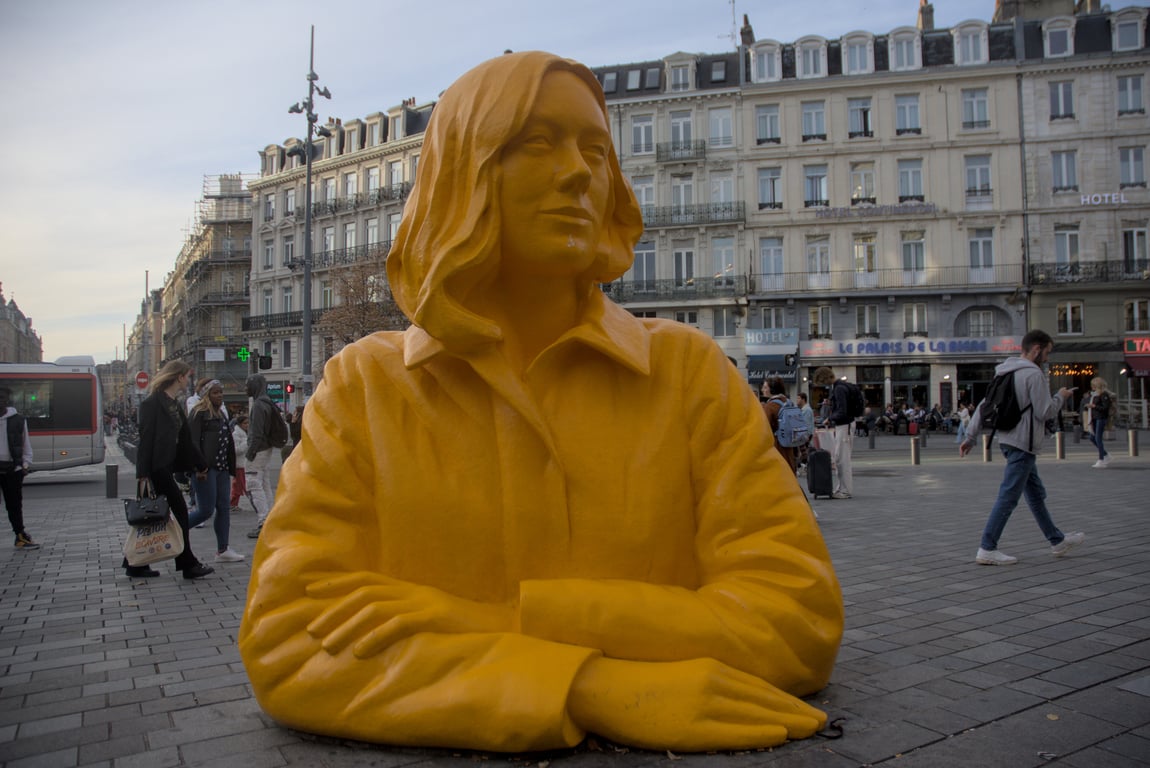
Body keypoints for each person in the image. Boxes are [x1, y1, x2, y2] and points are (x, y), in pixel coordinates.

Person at [239, 51, 842, 754]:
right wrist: (587, 686)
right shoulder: (365, 389)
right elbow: (287, 639)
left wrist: (492, 618)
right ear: (462, 169)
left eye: (594, 148)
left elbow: (797, 618)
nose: (581, 171)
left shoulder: (687, 374)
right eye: (536, 143)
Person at [960, 329, 1086, 566]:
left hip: (1007, 441)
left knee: (1035, 494)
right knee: (1008, 496)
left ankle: (1057, 540)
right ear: (1036, 349)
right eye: (1047, 353)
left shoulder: (1004, 371)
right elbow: (1045, 412)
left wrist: (971, 436)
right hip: (1023, 444)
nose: (1047, 359)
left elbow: (984, 406)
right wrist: (1061, 396)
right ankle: (987, 547)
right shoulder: (1033, 375)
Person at [129, 360, 214, 580]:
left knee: (154, 516)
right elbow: (146, 440)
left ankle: (134, 564)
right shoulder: (152, 404)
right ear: (178, 377)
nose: (187, 381)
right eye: (186, 377)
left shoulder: (174, 404)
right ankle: (187, 564)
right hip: (156, 468)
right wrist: (143, 474)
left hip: (166, 466)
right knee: (178, 513)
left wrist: (200, 463)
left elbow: (185, 440)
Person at [188, 381, 244, 563]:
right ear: (206, 395)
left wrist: (230, 467)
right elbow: (193, 443)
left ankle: (223, 549)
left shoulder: (221, 414)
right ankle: (178, 529)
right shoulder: (199, 414)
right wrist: (199, 467)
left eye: (221, 392)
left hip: (221, 468)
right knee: (206, 510)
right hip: (206, 468)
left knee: (223, 508)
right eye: (215, 393)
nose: (219, 395)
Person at [0, 386, 38, 550]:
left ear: (7, 400)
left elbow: (26, 446)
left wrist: (24, 465)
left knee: (14, 505)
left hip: (12, 469)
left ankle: (20, 535)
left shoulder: (17, 420)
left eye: (2, 398)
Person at [244, 374, 279, 539]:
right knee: (264, 484)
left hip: (258, 451)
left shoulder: (258, 405)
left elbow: (256, 432)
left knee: (254, 484)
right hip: (266, 449)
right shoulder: (267, 402)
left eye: (248, 385)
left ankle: (263, 521)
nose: (245, 389)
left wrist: (250, 452)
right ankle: (270, 518)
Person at [812, 367, 854, 500]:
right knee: (839, 457)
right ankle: (842, 487)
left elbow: (842, 411)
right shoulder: (840, 387)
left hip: (844, 425)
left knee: (842, 459)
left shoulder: (839, 389)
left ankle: (845, 490)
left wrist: (829, 418)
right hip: (844, 425)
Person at [760, 377, 797, 474]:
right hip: (790, 444)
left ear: (772, 389)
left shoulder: (770, 406)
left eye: (765, 387)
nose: (762, 390)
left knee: (779, 473)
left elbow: (764, 427)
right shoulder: (788, 402)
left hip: (777, 445)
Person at [1084, 376, 1113, 468]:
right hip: (1095, 418)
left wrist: (1094, 406)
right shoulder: (1095, 395)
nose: (1092, 387)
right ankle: (1105, 455)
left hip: (1101, 418)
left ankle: (1101, 459)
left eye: (1094, 385)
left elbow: (1105, 408)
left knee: (1098, 438)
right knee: (1092, 438)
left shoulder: (1104, 395)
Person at [230, 413, 251, 512]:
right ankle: (233, 503)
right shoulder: (236, 434)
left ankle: (233, 503)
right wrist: (246, 443)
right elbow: (236, 450)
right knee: (241, 485)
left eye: (248, 423)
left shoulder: (243, 434)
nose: (247, 425)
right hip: (239, 464)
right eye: (245, 423)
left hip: (242, 463)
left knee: (239, 485)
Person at [796, 391, 814, 471]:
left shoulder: (806, 410)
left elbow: (806, 424)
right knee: (803, 452)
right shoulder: (804, 409)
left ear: (803, 399)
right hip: (805, 435)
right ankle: (804, 465)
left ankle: (802, 465)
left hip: (805, 435)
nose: (797, 400)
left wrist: (805, 436)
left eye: (798, 398)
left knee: (802, 451)